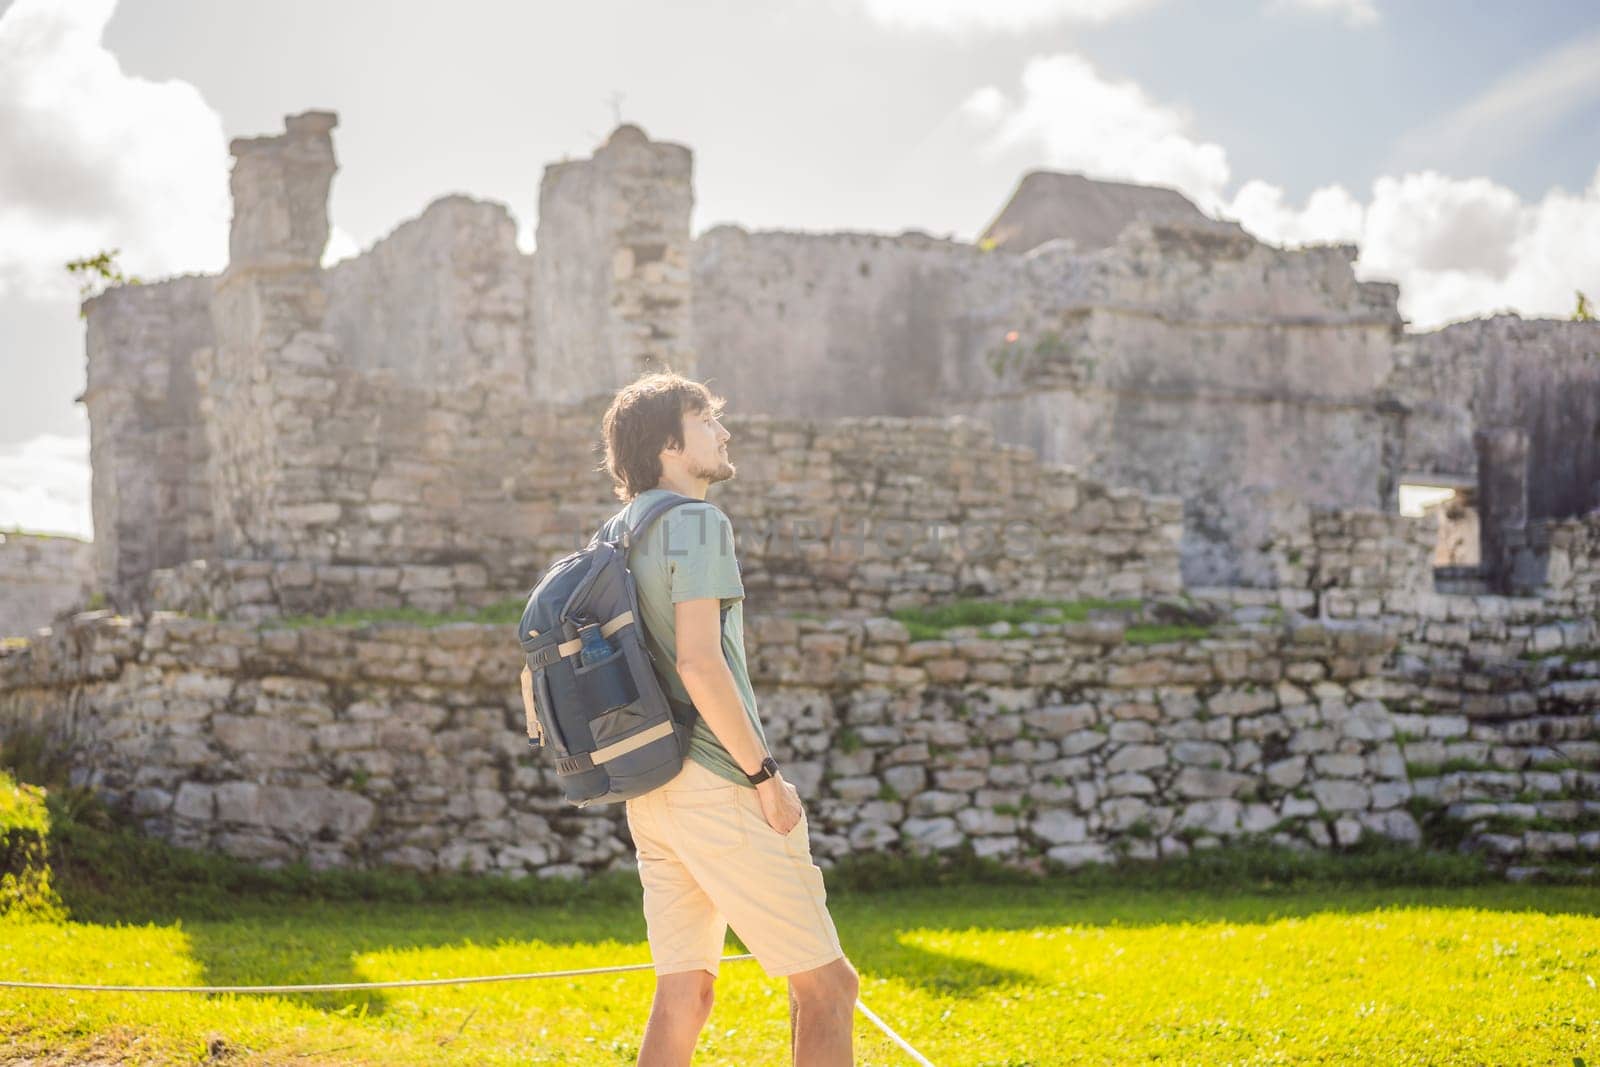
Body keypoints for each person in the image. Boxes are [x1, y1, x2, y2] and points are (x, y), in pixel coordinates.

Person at [599, 370, 859, 1066]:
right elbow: (699, 664)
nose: (724, 430)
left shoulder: (615, 532)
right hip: (716, 779)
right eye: (706, 418)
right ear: (669, 446)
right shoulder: (696, 521)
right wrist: (765, 775)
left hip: (648, 788)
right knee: (830, 988)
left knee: (684, 993)